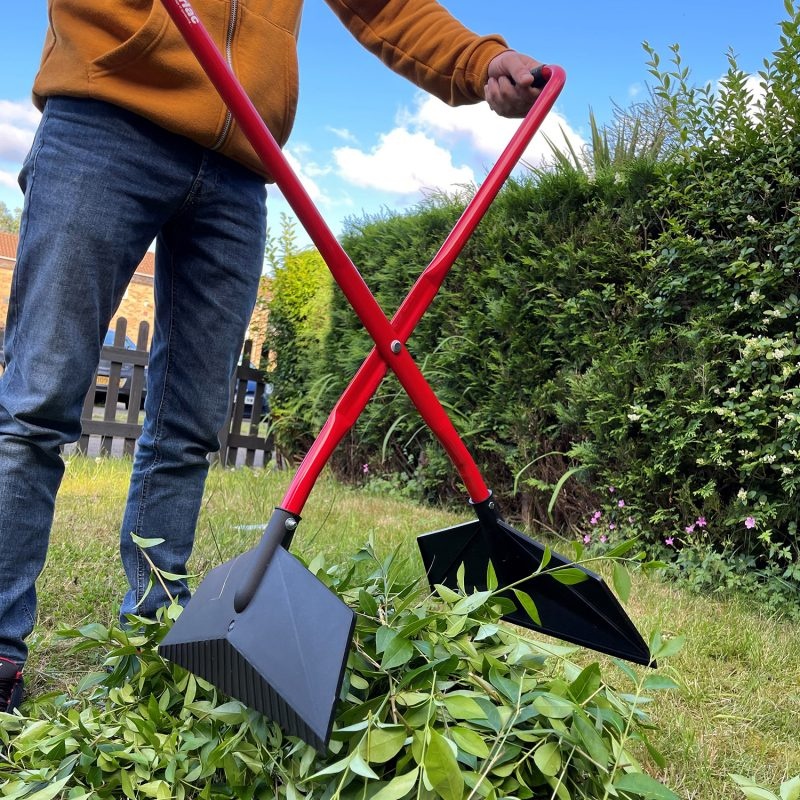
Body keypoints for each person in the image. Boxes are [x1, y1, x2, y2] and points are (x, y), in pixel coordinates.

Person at [0, 0, 544, 713]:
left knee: (190, 425)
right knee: (38, 402)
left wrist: (479, 60)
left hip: (239, 164)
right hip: (107, 117)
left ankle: (156, 632)